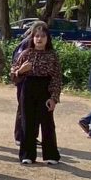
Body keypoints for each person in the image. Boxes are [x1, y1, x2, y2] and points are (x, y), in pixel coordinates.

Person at [10, 22, 62, 165]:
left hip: (45, 89)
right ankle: (27, 154)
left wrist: (54, 98)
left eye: (43, 36)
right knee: (27, 121)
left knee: (47, 122)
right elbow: (13, 75)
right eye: (37, 36)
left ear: (47, 38)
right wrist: (21, 70)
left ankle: (50, 155)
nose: (39, 39)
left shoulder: (52, 55)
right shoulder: (26, 54)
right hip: (28, 88)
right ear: (32, 38)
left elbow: (57, 78)